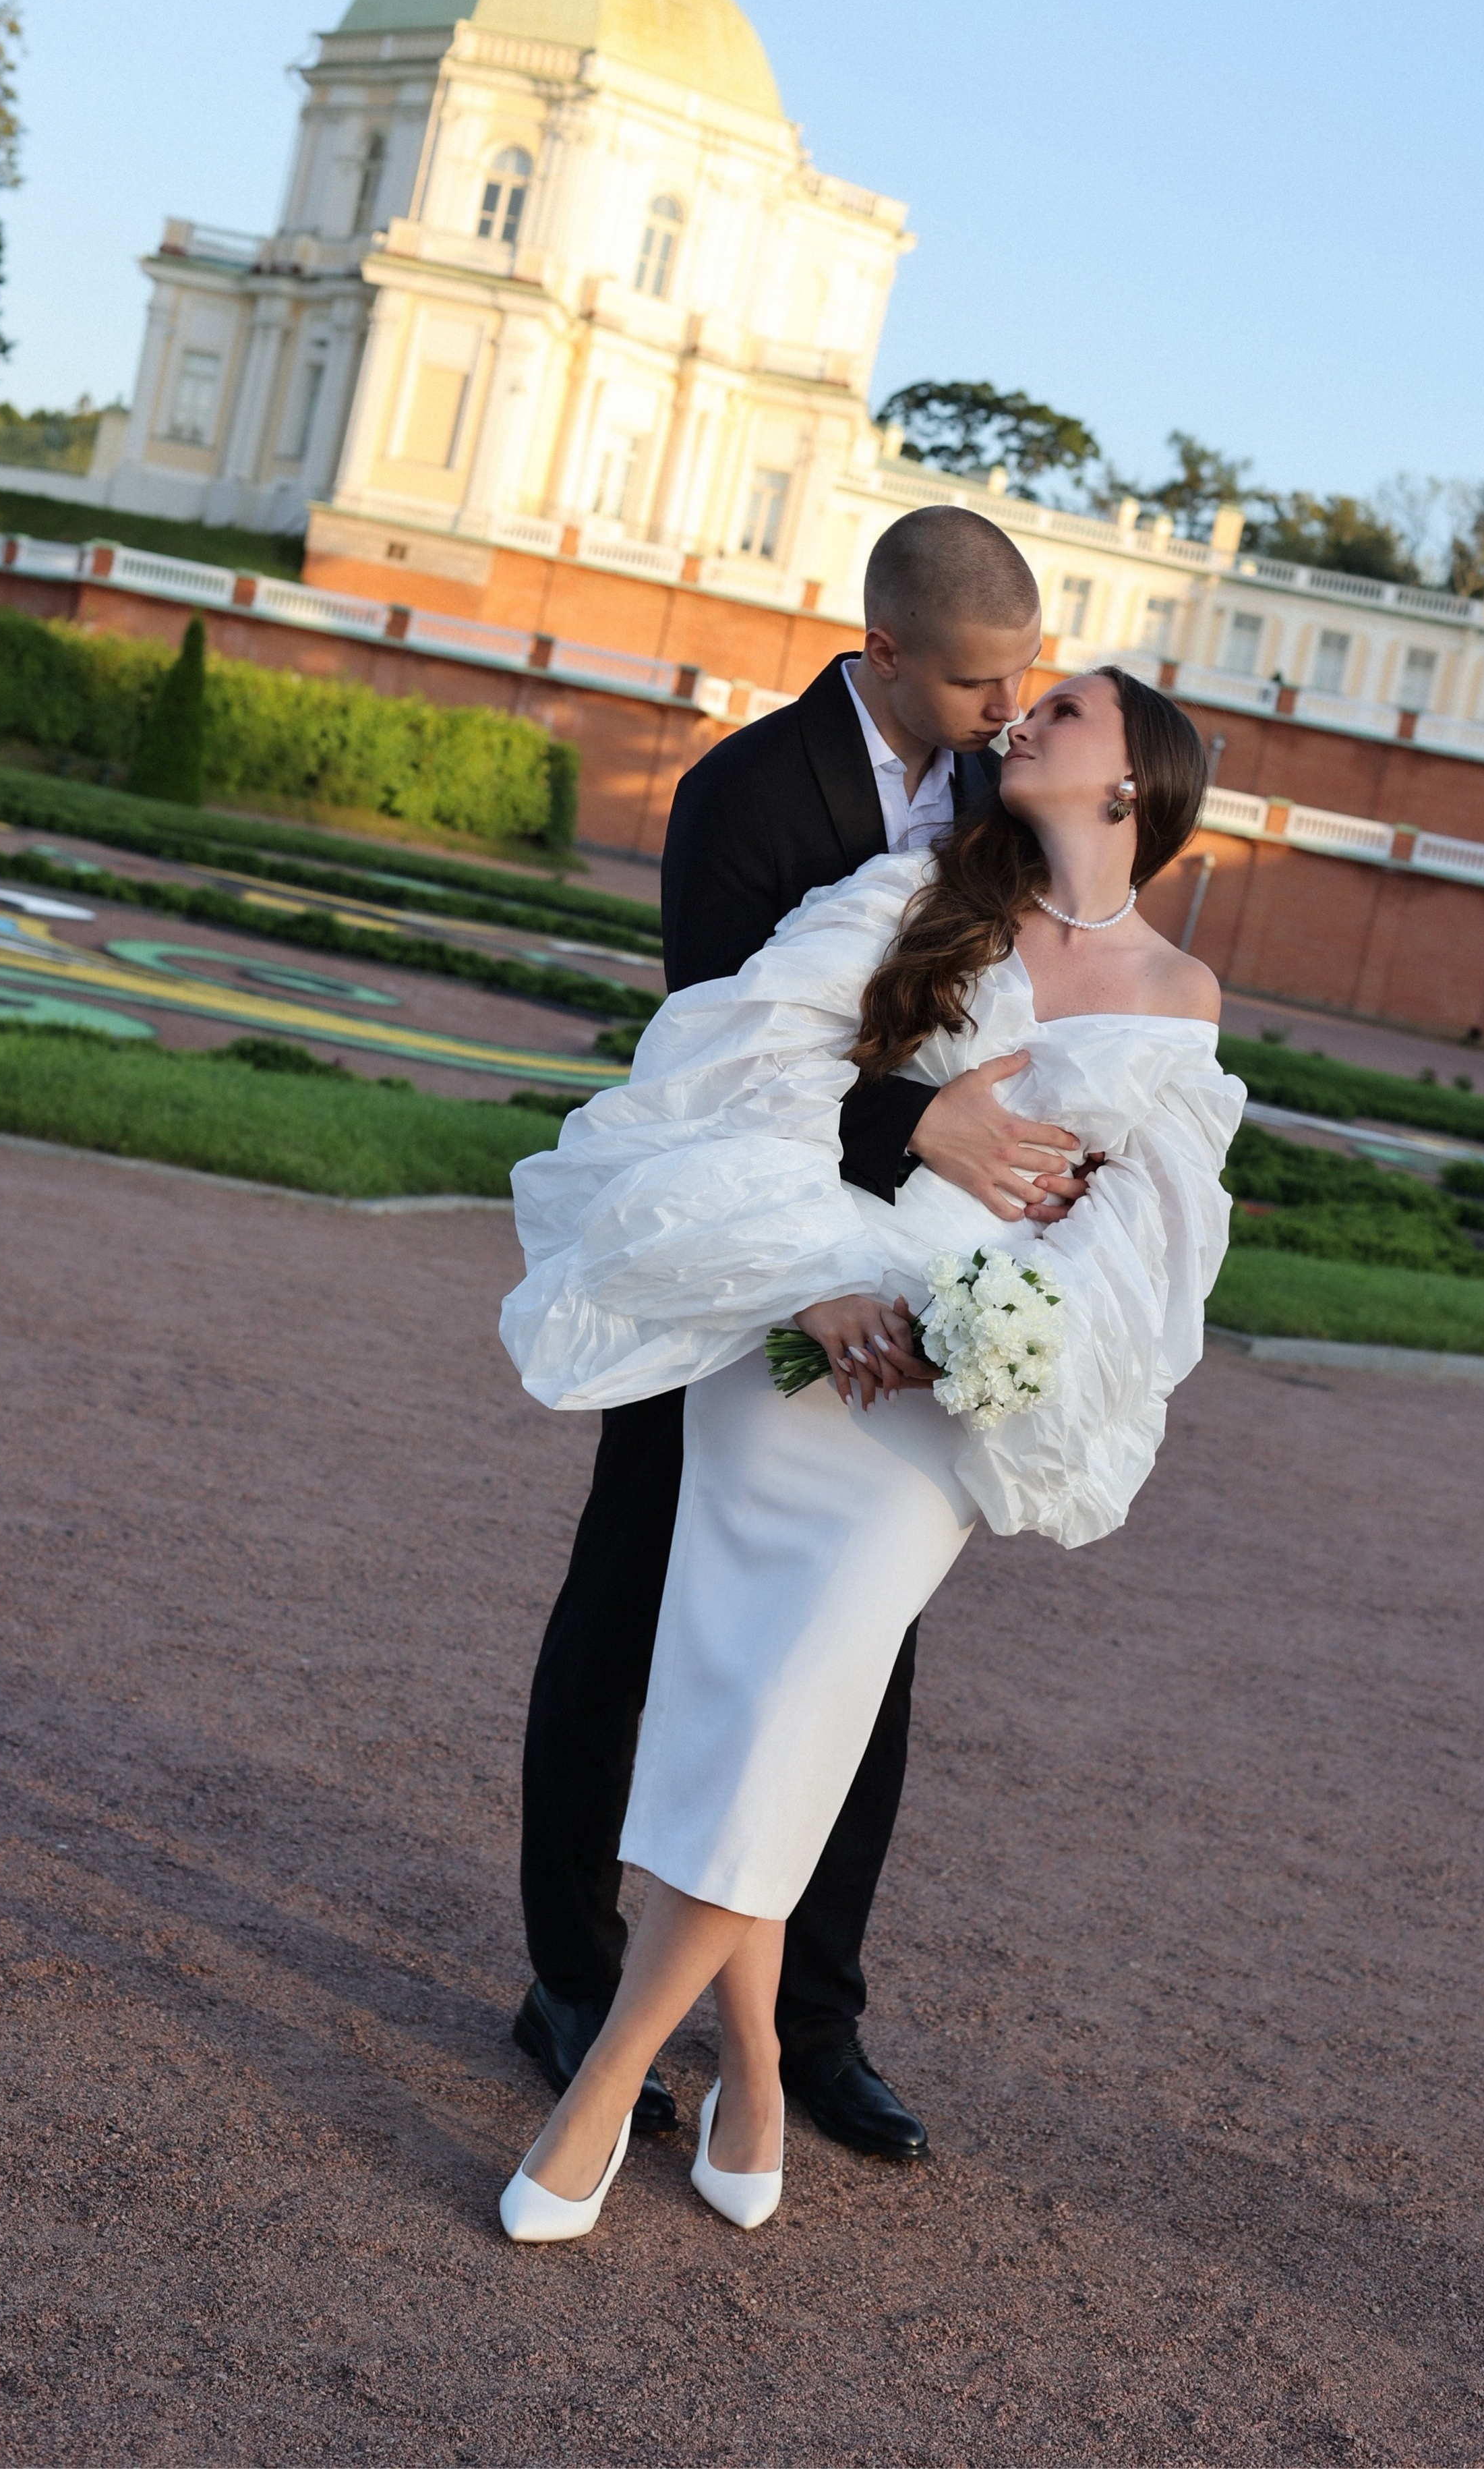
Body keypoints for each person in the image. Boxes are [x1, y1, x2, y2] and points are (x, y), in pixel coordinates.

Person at [496, 661, 1245, 2240]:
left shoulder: (1181, 1000)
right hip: (801, 1334)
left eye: (1069, 714)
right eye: (1025, 701)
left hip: (938, 1397)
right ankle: (754, 2066)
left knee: (797, 1704)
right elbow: (745, 1073)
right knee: (744, 1706)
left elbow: (1139, 1245)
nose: (1024, 718)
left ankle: (611, 2079)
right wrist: (820, 1280)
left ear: (1130, 791)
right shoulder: (917, 893)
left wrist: (983, 1337)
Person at [513, 507, 1097, 2163]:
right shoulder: (743, 796)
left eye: (1026, 677)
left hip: (911, 1290)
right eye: (982, 678)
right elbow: (710, 1074)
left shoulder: (1007, 796)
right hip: (740, 1263)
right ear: (885, 649)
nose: (1009, 707)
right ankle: (570, 1980)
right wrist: (905, 1144)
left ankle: (816, 2029)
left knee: (860, 1656)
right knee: (625, 1606)